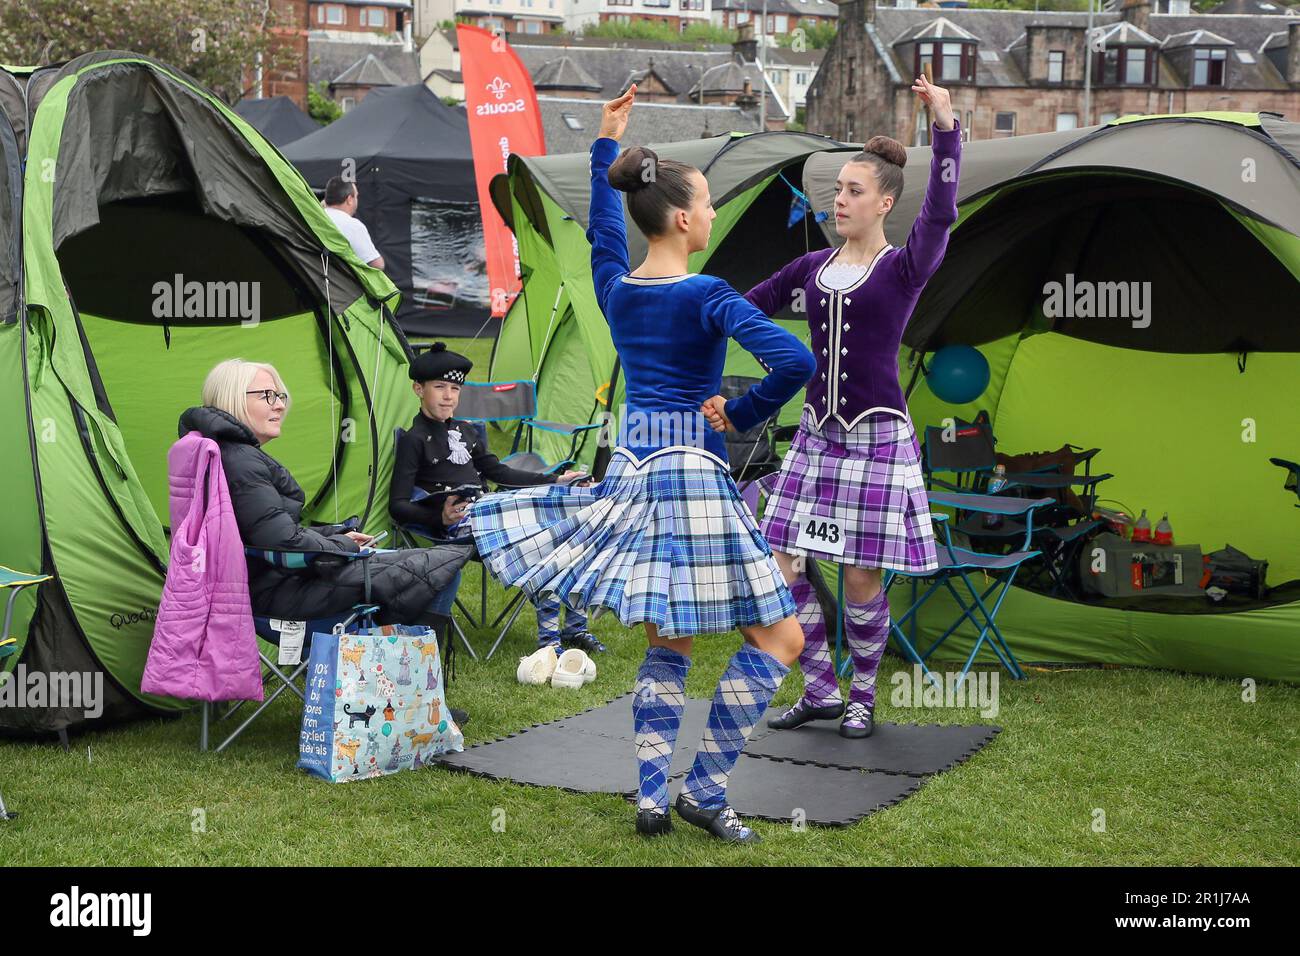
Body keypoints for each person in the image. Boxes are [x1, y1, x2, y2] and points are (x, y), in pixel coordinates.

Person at [470, 85, 816, 843]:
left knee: (670, 639)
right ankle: (707, 788)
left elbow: (601, 229)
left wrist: (606, 142)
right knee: (782, 640)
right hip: (691, 472)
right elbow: (795, 359)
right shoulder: (709, 294)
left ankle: (654, 796)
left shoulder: (617, 289)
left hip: (631, 469)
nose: (715, 213)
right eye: (710, 203)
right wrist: (746, 410)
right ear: (685, 218)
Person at [706, 74, 960, 740]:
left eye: (852, 191)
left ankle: (863, 697)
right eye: (837, 190)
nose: (838, 199)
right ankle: (820, 687)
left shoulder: (906, 266)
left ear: (884, 202)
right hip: (817, 440)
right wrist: (692, 325)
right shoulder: (811, 267)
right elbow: (738, 309)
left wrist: (946, 126)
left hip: (877, 439)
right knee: (781, 562)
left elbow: (941, 213)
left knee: (859, 578)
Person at [180, 359, 472, 712]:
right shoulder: (241, 461)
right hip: (279, 595)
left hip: (268, 581)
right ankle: (416, 699)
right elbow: (280, 541)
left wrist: (336, 533)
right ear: (232, 400)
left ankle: (399, 692)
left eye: (281, 395)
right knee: (441, 569)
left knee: (425, 567)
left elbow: (266, 530)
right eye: (267, 395)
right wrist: (343, 545)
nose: (279, 404)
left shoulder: (230, 454)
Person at [389, 343, 605, 657]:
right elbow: (397, 505)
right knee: (544, 541)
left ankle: (574, 629)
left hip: (490, 510)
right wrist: (439, 517)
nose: (449, 395)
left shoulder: (467, 431)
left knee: (568, 530)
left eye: (454, 388)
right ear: (418, 389)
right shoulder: (414, 440)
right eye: (439, 387)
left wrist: (555, 479)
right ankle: (549, 641)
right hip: (460, 523)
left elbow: (500, 473)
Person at [323, 177, 384, 269]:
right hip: (339, 281)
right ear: (349, 199)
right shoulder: (353, 226)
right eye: (356, 196)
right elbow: (377, 264)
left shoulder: (315, 217)